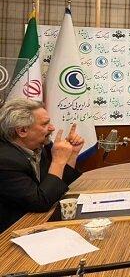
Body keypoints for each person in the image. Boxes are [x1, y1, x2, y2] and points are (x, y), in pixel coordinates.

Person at [0, 98, 84, 232]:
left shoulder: (42, 146)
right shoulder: (5, 161)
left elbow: (59, 186)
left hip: (39, 222)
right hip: (11, 232)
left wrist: (72, 154)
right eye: (45, 124)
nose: (52, 128)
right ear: (22, 131)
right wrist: (58, 161)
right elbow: (40, 202)